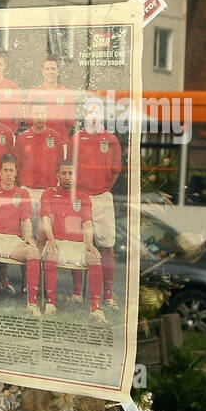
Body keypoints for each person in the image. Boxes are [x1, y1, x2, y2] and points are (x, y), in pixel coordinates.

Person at [40, 160, 107, 322]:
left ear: (75, 176)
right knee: (51, 253)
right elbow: (46, 219)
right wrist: (51, 239)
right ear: (57, 175)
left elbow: (87, 223)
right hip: (57, 241)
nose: (67, 177)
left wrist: (89, 243)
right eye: (63, 173)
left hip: (78, 245)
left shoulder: (83, 198)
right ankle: (51, 303)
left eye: (70, 173)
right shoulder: (48, 194)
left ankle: (96, 308)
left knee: (95, 257)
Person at [70, 106, 123, 309]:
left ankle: (108, 295)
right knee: (78, 243)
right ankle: (77, 292)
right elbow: (69, 169)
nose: (93, 118)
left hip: (102, 197)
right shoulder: (76, 139)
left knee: (106, 246)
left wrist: (103, 189)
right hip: (81, 197)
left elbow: (115, 171)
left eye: (97, 114)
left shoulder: (110, 139)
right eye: (90, 113)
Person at [0, 153, 41, 314]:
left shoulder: (23, 194)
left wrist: (28, 238)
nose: (8, 174)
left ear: (16, 172)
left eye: (11, 170)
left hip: (13, 240)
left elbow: (27, 220)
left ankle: (32, 303)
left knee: (33, 252)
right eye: (5, 170)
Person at [14, 96, 64, 235]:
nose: (39, 117)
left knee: (44, 235)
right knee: (27, 235)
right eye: (36, 113)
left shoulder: (56, 137)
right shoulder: (22, 138)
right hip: (27, 191)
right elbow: (17, 167)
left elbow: (60, 166)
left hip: (48, 192)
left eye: (42, 113)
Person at [27, 55, 75, 141]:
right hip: (39, 140)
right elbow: (28, 121)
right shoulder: (34, 93)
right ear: (42, 71)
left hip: (61, 141)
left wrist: (60, 136)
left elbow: (70, 123)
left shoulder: (66, 93)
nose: (50, 72)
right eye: (47, 69)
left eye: (53, 69)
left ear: (58, 71)